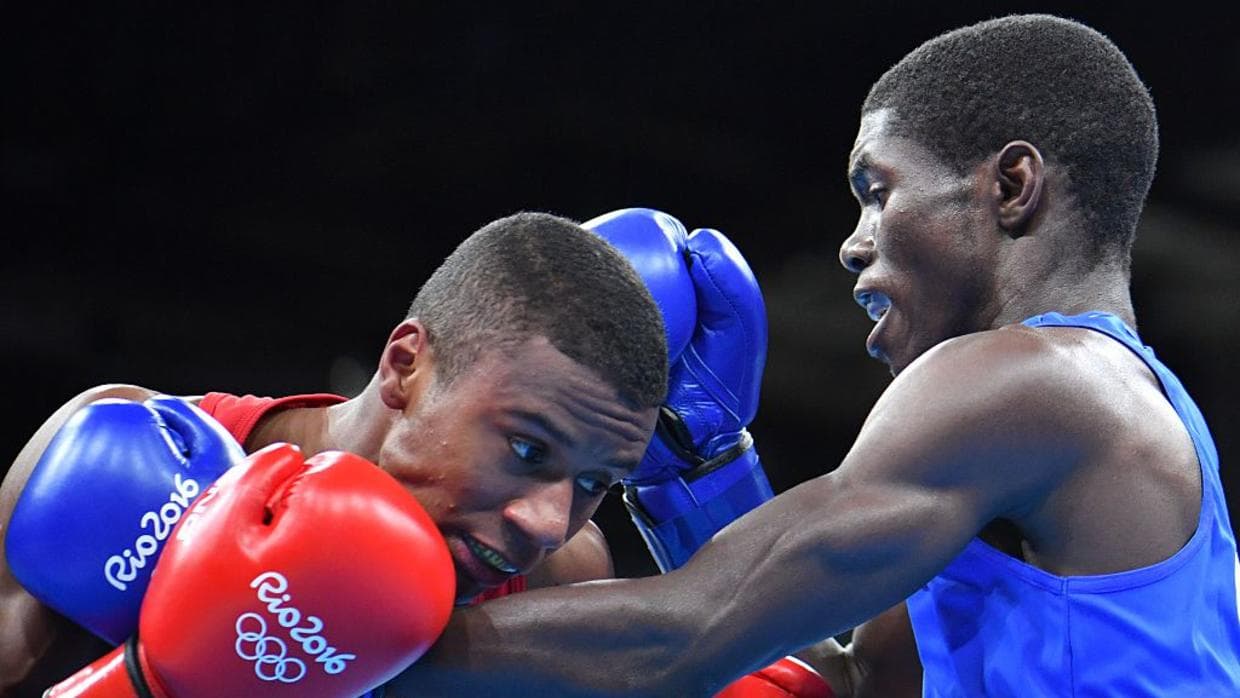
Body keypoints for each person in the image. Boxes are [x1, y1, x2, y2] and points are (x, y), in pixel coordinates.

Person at [382, 14, 1240, 697]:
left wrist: (339, 642)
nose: (853, 245)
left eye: (878, 191)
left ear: (1011, 187)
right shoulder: (1110, 411)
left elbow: (686, 636)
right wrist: (704, 477)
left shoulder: (1032, 383)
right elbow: (852, 677)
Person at [0, 211, 673, 695]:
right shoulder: (126, 463)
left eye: (595, 481)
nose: (551, 524)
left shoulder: (565, 573)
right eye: (528, 449)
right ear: (405, 366)